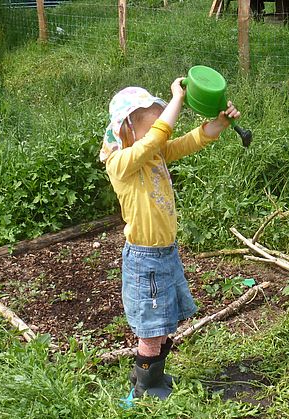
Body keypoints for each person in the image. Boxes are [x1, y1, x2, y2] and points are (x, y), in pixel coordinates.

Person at [100, 79, 240, 400]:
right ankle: (145, 387)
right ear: (129, 128)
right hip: (144, 258)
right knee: (151, 326)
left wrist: (217, 124)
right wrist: (177, 98)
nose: (161, 130)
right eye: (152, 122)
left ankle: (156, 377)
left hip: (165, 253)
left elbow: (186, 142)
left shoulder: (153, 155)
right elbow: (157, 138)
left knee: (163, 321)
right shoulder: (120, 164)